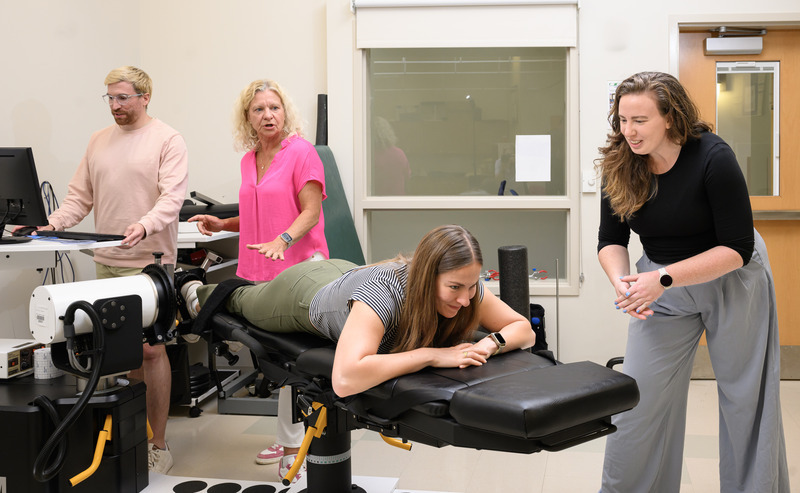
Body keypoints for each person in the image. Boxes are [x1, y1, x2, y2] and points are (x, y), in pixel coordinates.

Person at [595, 71, 788, 492]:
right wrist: (623, 282)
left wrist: (662, 279)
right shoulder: (620, 164)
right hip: (659, 283)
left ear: (669, 117)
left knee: (745, 402)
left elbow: (736, 248)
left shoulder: (713, 158)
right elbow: (611, 239)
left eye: (640, 120)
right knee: (638, 402)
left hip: (731, 277)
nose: (629, 131)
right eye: (623, 119)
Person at [36, 66, 189, 474]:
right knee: (121, 354)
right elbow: (78, 198)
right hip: (106, 262)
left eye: (122, 98)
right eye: (110, 98)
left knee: (152, 350)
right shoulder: (98, 141)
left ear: (145, 97)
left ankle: (157, 441)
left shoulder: (167, 139)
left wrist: (144, 225)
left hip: (150, 262)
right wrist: (49, 226)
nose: (115, 106)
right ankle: (131, 434)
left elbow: (172, 199)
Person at [189, 224, 536, 398]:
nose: (465, 299)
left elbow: (523, 328)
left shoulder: (466, 285)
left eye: (472, 286)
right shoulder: (384, 295)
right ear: (427, 277)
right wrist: (432, 355)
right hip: (301, 293)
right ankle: (191, 290)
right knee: (243, 300)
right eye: (454, 288)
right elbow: (345, 379)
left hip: (346, 275)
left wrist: (491, 343)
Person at [187, 79, 328, 482]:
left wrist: (284, 240)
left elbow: (310, 212)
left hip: (300, 269)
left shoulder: (301, 153)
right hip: (259, 269)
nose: (268, 115)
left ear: (286, 113)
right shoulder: (249, 160)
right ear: (247, 118)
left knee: (292, 359)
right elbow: (255, 213)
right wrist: (222, 222)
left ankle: (292, 445)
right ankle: (291, 434)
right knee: (269, 356)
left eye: (274, 108)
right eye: (259, 109)